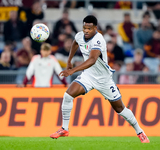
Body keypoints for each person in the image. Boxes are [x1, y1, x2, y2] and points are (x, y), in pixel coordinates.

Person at [50, 15, 149, 143]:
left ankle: (140, 132)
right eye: (84, 27)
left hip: (104, 79)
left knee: (120, 109)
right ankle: (64, 128)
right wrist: (69, 61)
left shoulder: (98, 39)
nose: (86, 30)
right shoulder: (80, 35)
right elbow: (75, 42)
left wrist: (72, 70)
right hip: (88, 75)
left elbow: (92, 59)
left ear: (95, 28)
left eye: (89, 28)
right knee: (68, 95)